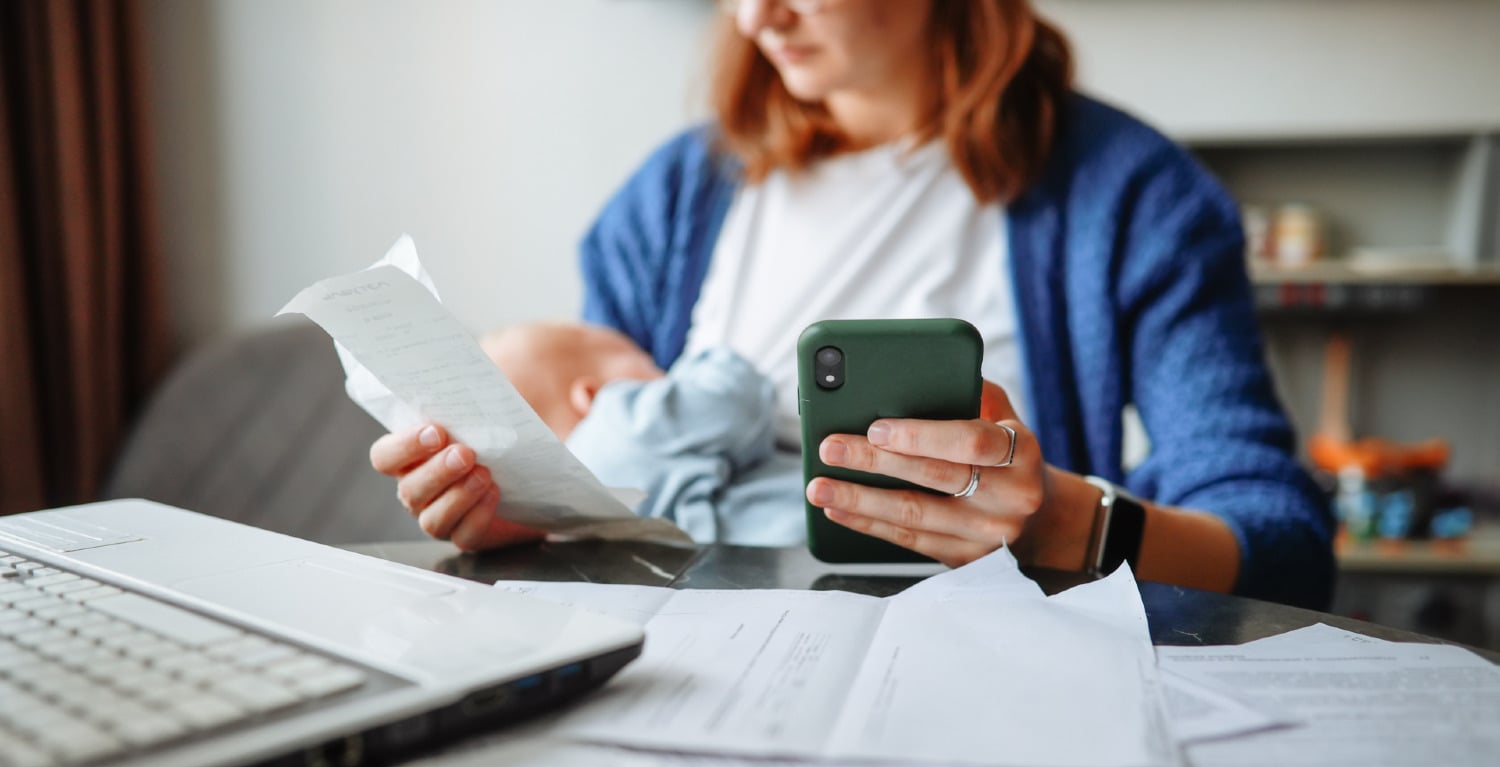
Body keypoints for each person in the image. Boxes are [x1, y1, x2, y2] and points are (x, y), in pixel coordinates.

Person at [372, 0, 1335, 610]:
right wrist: (535, 511)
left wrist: (1063, 527)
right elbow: (630, 486)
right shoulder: (668, 206)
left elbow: (1280, 549)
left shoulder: (1132, 198)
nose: (755, 18)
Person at [480, 321, 804, 545]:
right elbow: (739, 403)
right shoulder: (621, 420)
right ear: (590, 395)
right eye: (644, 361)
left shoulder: (564, 519)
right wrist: (709, 360)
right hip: (813, 536)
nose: (663, 372)